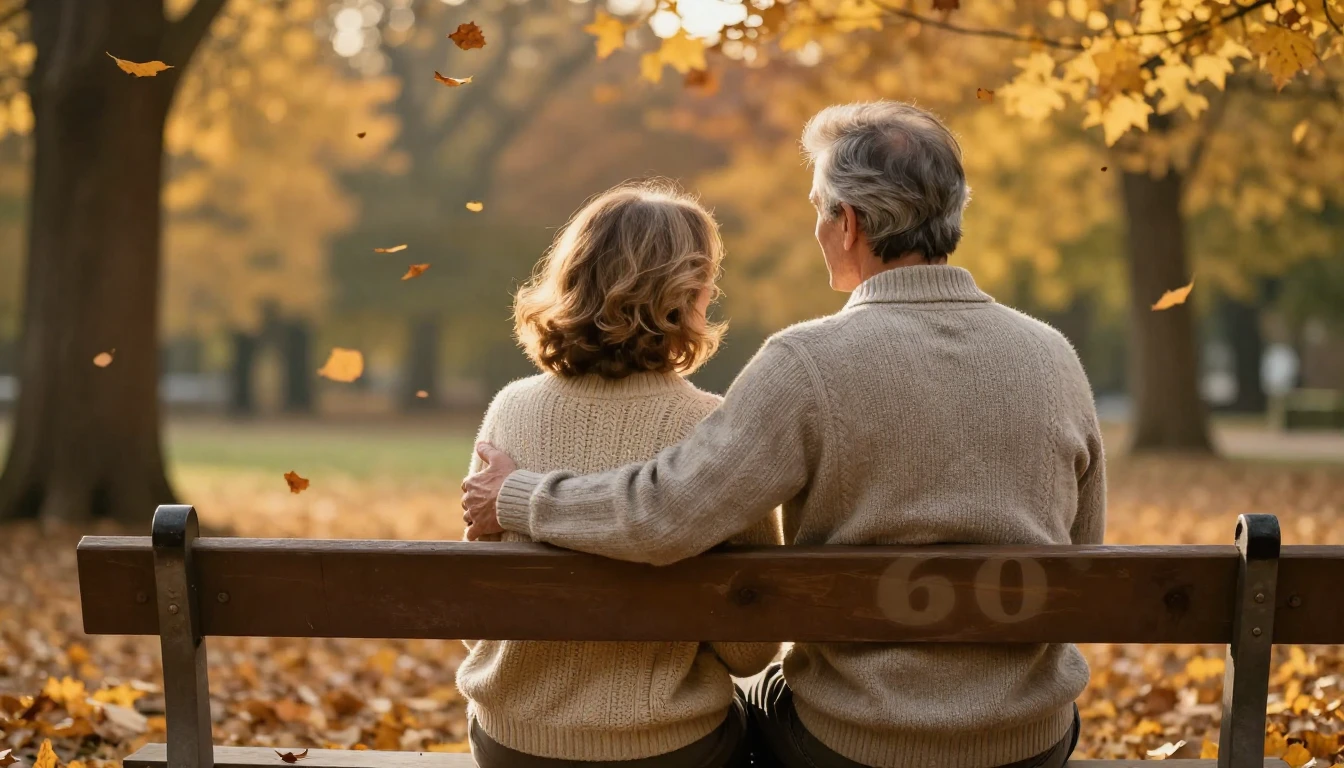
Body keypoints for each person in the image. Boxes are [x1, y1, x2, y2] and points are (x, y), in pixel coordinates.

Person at [461, 102, 1105, 768]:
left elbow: (664, 514)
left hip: (854, 743)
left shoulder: (808, 362)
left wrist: (519, 496)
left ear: (847, 223)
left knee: (767, 702)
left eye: (817, 209)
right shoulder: (1051, 354)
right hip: (1026, 740)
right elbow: (1084, 553)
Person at [454, 180, 782, 768]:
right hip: (669, 745)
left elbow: (479, 610)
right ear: (686, 294)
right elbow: (750, 646)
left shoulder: (511, 408)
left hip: (514, 743)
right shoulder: (713, 427)